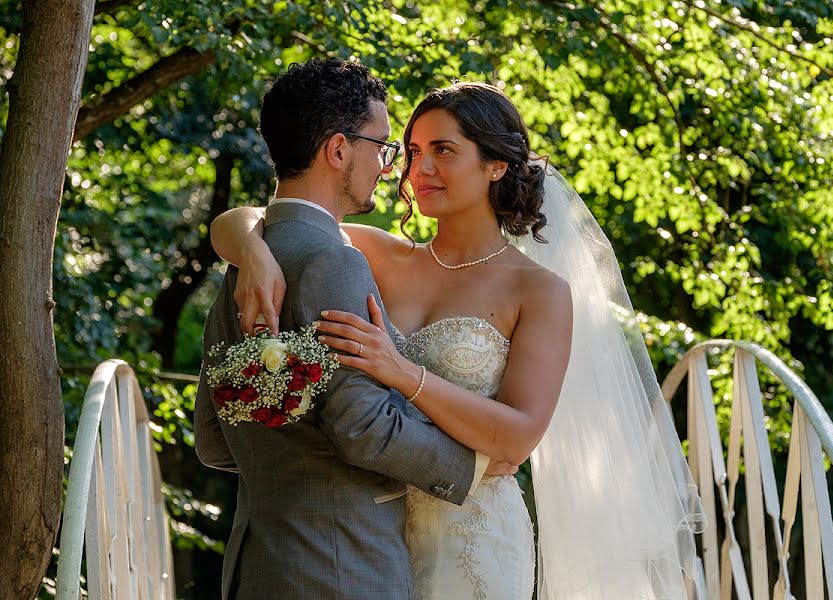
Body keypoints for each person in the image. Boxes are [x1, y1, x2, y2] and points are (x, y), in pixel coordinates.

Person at [215, 82, 706, 599]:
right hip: (371, 536)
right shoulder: (373, 254)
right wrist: (252, 252)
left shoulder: (538, 290)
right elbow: (273, 220)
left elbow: (518, 437)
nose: (417, 170)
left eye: (443, 151)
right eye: (411, 152)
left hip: (470, 540)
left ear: (496, 164)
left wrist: (404, 373)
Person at [194, 59, 514, 600]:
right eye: (384, 147)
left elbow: (212, 436)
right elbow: (363, 427)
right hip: (343, 566)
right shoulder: (334, 263)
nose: (390, 167)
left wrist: (291, 469)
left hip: (260, 564)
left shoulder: (244, 267)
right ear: (339, 150)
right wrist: (475, 465)